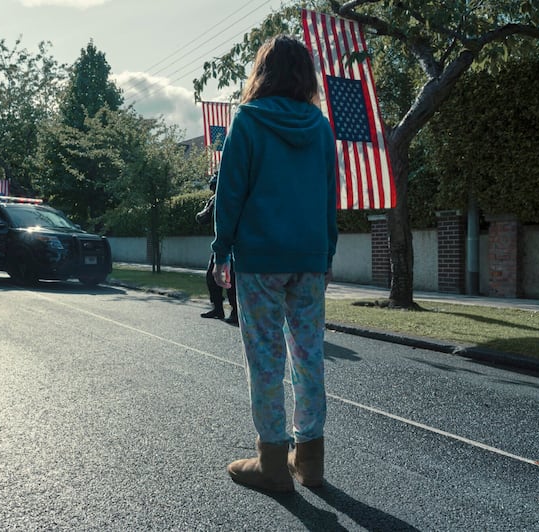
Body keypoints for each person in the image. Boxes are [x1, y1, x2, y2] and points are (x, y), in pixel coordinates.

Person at [211, 35, 338, 492]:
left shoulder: (246, 120)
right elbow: (329, 198)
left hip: (259, 260)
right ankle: (312, 460)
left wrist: (222, 250)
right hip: (307, 258)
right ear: (305, 76)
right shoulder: (320, 127)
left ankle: (271, 463)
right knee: (309, 358)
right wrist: (327, 255)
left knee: (266, 360)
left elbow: (231, 194)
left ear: (262, 72)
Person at [195, 174, 238, 325]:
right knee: (219, 278)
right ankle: (220, 308)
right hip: (230, 245)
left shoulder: (218, 198)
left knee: (225, 277)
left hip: (227, 245)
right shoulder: (231, 195)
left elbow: (202, 218)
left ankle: (233, 310)